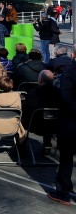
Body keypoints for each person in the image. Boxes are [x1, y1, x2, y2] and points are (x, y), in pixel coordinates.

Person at [48, 62, 76, 205]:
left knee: (66, 159)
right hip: (70, 121)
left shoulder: (70, 71)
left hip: (70, 123)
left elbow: (66, 97)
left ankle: (63, 192)